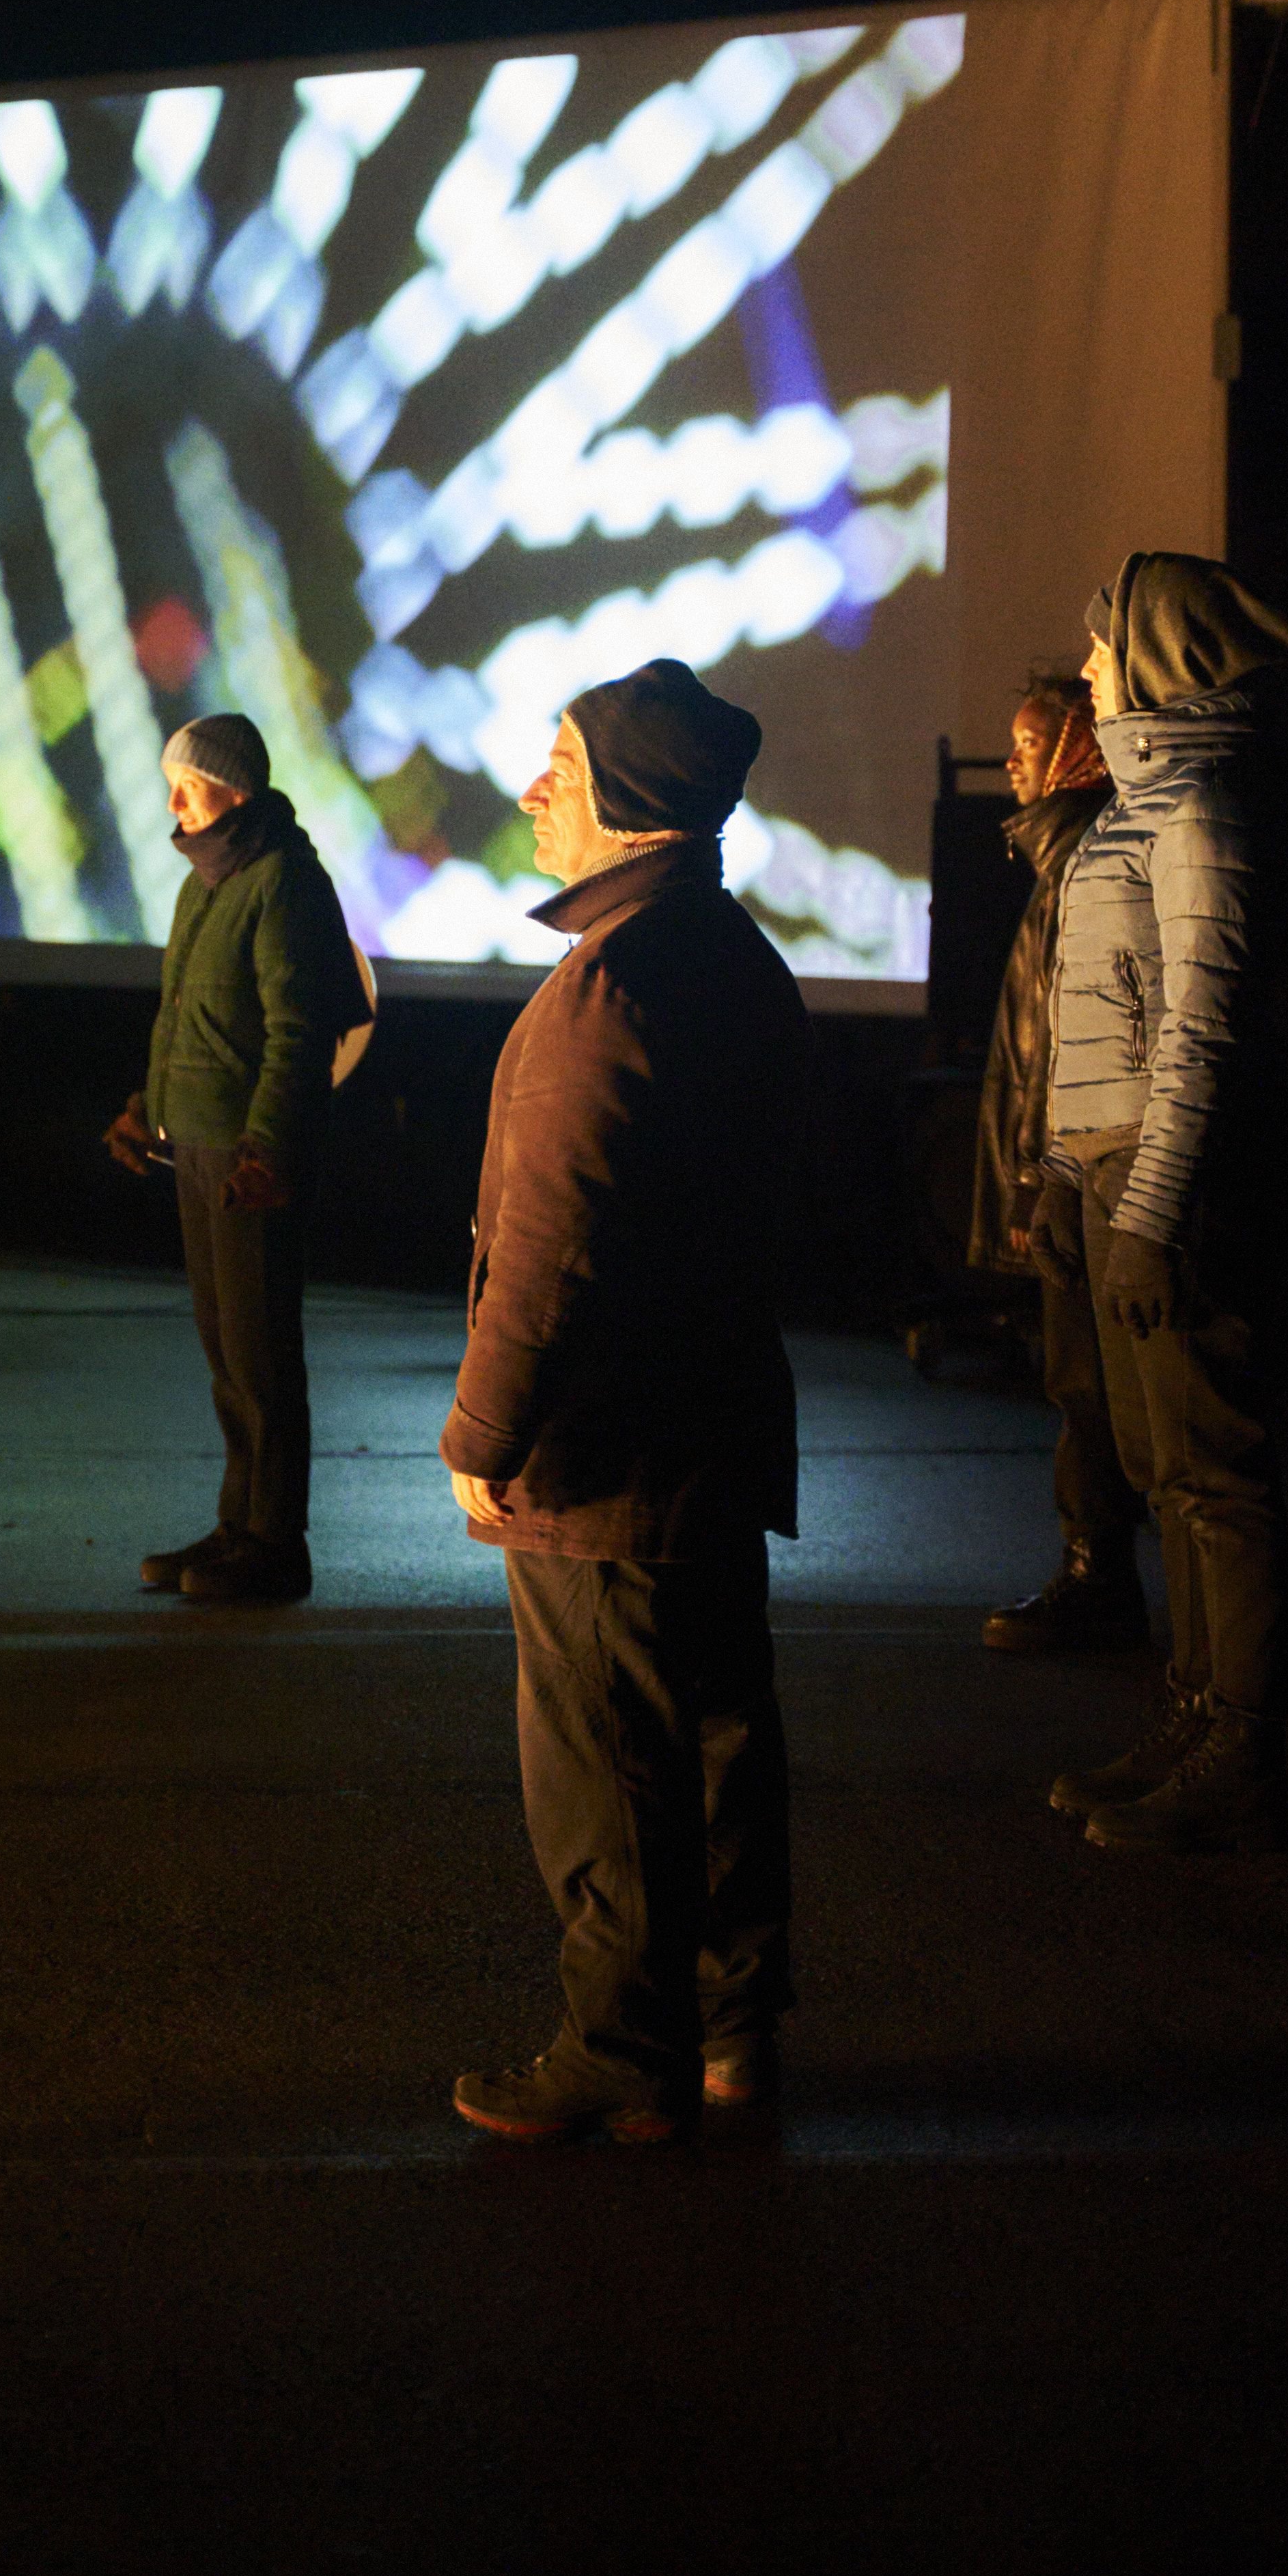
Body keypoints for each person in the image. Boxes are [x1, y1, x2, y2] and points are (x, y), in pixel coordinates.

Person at [441, 659, 809, 2144]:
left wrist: (480, 1440)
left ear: (629, 803)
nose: (529, 792)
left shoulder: (609, 984)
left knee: (606, 1768)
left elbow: (546, 1247)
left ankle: (620, 2054)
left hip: (604, 1463)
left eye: (558, 768)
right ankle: (731, 2036)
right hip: (711, 1427)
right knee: (716, 1739)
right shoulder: (731, 957)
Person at [1029, 552, 1288, 1853]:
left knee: (1210, 1472)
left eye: (1103, 647)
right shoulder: (1149, 805)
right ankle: (1194, 1717)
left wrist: (1146, 1209)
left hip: (1164, 1183)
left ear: (1158, 661)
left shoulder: (1196, 812)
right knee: (1159, 1466)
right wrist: (1065, 1174)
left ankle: (1239, 1745)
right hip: (1116, 1176)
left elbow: (1200, 1030)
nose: (1088, 670)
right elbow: (1096, 1022)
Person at [103, 712, 363, 1607]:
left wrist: (270, 1145)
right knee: (228, 1352)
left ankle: (273, 1546)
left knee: (259, 1355)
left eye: (191, 783)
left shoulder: (282, 881)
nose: (173, 799)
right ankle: (236, 1525)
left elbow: (299, 1029)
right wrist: (149, 1108)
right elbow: (181, 1014)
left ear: (236, 790)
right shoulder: (203, 885)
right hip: (203, 1144)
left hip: (251, 1154)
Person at [971, 671, 1147, 1654]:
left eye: (1031, 744)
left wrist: (1040, 1181)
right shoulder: (1063, 857)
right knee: (1082, 1385)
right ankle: (1102, 1575)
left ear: (1080, 752)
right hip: (1070, 1175)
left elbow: (1067, 1045)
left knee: (1088, 1386)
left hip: (1078, 1178)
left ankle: (1101, 1581)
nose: (1012, 764)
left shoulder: (1084, 858)